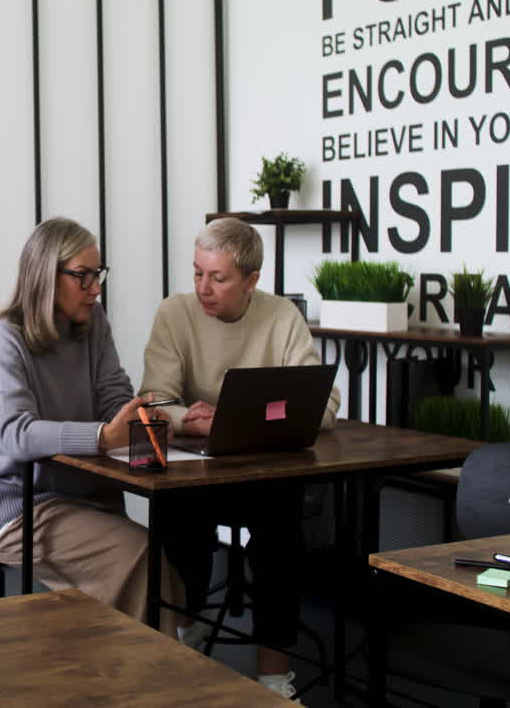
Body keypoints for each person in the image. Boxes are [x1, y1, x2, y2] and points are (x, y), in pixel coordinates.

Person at [140, 216, 341, 699]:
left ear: (252, 281)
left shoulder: (280, 317)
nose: (203, 288)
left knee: (280, 537)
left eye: (218, 277)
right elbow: (153, 400)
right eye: (197, 273)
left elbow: (323, 404)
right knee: (179, 521)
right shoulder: (176, 313)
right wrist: (192, 418)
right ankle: (180, 644)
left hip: (262, 472)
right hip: (196, 471)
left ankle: (274, 678)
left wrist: (236, 418)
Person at [0, 217, 186, 636]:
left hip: (83, 494)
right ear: (47, 275)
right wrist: (103, 436)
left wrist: (138, 417)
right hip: (18, 506)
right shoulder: (8, 336)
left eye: (97, 275)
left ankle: (135, 670)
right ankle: (149, 676)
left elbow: (112, 395)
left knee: (153, 559)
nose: (95, 289)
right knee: (137, 556)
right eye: (83, 276)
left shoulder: (92, 323)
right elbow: (15, 432)